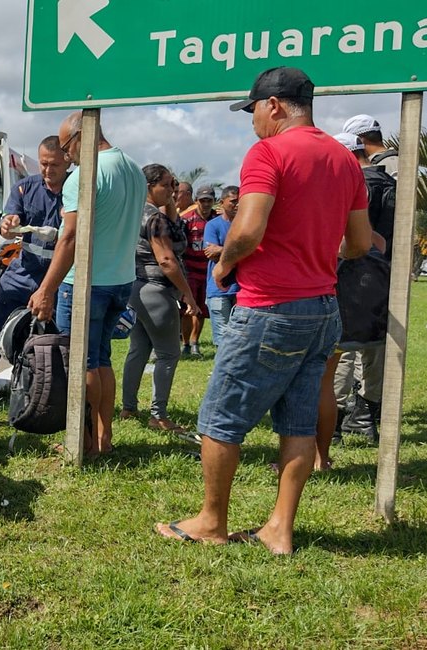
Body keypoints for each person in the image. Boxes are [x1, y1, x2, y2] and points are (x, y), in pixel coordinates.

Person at [156, 66, 371, 555]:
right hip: (323, 307)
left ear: (273, 106)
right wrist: (315, 254)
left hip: (270, 305)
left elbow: (249, 229)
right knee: (297, 423)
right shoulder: (345, 159)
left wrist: (225, 265)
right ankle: (280, 528)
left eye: (252, 109)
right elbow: (359, 242)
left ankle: (211, 521)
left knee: (219, 418)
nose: (251, 120)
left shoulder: (268, 151)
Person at [28, 110, 145, 457]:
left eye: (66, 148)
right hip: (121, 280)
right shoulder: (133, 168)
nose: (67, 157)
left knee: (81, 363)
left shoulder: (84, 175)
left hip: (85, 284)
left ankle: (84, 442)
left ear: (80, 137)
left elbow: (70, 238)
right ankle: (103, 435)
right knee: (102, 359)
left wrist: (46, 288)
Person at [0, 136, 69, 385]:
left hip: (62, 277)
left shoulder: (77, 190)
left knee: (55, 337)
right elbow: (8, 222)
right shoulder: (26, 187)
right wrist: (7, 225)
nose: (47, 170)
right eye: (44, 163)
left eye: (54, 164)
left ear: (68, 161)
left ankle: (48, 388)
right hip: (23, 272)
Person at [120, 164, 200, 436]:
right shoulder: (154, 220)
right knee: (168, 353)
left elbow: (173, 225)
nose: (172, 190)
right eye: (165, 185)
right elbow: (166, 260)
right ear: (149, 186)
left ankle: (128, 407)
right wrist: (188, 293)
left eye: (173, 185)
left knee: (138, 349)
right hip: (157, 289)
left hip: (137, 287)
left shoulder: (136, 213)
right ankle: (159, 415)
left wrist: (170, 201)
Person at [330, 133, 396, 441]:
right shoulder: (390, 184)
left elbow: (356, 238)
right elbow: (383, 239)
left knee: (342, 349)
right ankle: (367, 416)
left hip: (351, 271)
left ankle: (335, 421)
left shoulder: (356, 184)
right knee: (376, 347)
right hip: (384, 275)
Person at [181, 185, 217, 356]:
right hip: (189, 272)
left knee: (202, 310)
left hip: (208, 273)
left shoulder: (216, 220)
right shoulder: (187, 220)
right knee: (188, 310)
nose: (206, 204)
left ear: (214, 201)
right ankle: (186, 343)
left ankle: (195, 342)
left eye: (209, 200)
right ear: (197, 201)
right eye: (203, 200)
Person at [202, 185, 240, 347]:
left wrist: (222, 250)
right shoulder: (213, 225)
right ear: (222, 202)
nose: (237, 205)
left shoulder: (245, 226)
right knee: (223, 339)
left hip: (241, 289)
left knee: (240, 337)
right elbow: (211, 253)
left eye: (240, 201)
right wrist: (239, 252)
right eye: (233, 201)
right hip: (218, 290)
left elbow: (253, 252)